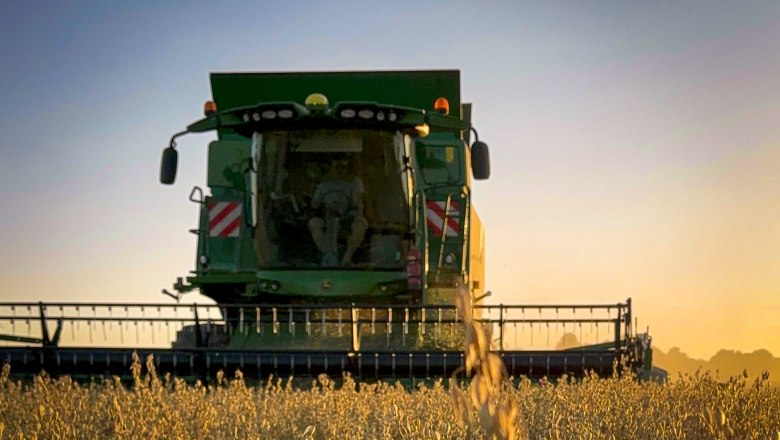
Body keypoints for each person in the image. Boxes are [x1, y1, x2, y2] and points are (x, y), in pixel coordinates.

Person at [307, 156, 367, 267]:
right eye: (337, 167)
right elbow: (314, 204)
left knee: (360, 226)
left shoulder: (355, 182)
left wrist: (357, 216)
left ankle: (346, 259)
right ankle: (328, 255)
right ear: (332, 168)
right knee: (313, 223)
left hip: (348, 217)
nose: (341, 170)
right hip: (327, 217)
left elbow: (358, 202)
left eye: (343, 167)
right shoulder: (324, 184)